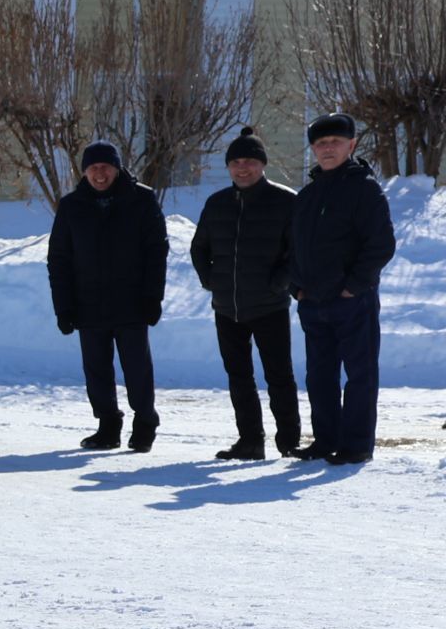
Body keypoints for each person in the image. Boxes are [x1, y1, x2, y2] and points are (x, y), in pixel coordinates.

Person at [288, 112, 396, 466]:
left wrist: (354, 287)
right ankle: (325, 440)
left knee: (360, 375)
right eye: (321, 143)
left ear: (351, 145)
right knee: (319, 377)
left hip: (353, 302)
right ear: (313, 150)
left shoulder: (364, 189)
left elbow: (380, 244)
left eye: (335, 142)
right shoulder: (306, 196)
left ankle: (356, 445)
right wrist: (297, 288)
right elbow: (290, 247)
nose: (328, 148)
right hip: (313, 304)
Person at [48, 142, 169, 452]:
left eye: (105, 167)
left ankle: (144, 422)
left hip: (132, 302)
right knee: (96, 369)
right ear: (84, 171)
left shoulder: (141, 200)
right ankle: (107, 424)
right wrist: (63, 307)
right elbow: (59, 259)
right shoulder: (72, 206)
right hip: (88, 304)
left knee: (137, 369)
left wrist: (152, 298)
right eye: (93, 168)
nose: (99, 174)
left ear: (117, 168)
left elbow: (156, 251)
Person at [190, 127, 301, 460]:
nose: (243, 168)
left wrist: (278, 283)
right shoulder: (217, 203)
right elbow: (199, 248)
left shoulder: (285, 201)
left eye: (250, 161)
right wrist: (211, 280)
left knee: (279, 377)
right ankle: (250, 441)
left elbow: (297, 253)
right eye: (236, 161)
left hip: (269, 305)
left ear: (262, 164)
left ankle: (289, 442)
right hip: (227, 307)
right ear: (228, 166)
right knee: (239, 377)